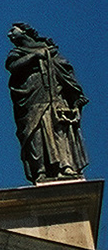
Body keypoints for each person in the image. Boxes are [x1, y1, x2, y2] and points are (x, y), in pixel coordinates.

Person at [6, 23, 89, 182]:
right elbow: (12, 67)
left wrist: (76, 99)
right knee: (34, 132)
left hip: (55, 97)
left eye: (13, 30)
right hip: (32, 99)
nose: (9, 35)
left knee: (59, 128)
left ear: (24, 31)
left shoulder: (51, 51)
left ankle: (65, 166)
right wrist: (35, 56)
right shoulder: (17, 53)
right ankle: (41, 170)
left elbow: (65, 72)